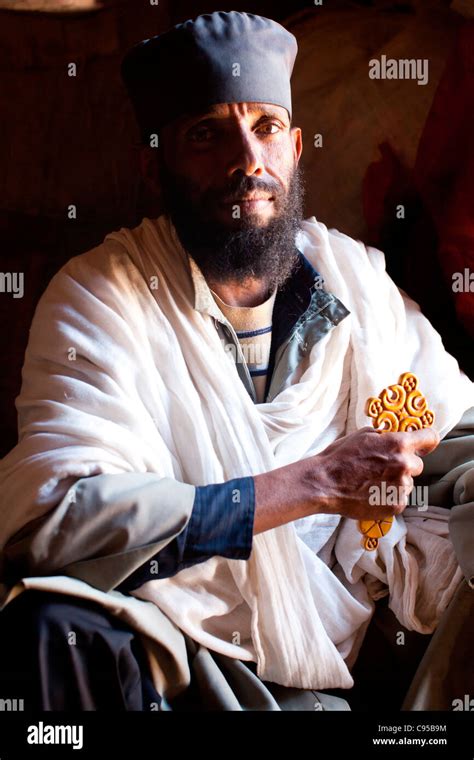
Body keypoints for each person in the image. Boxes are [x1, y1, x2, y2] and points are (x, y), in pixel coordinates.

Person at [0, 11, 473, 712]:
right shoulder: (102, 296)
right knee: (52, 628)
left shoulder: (355, 286)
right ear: (152, 163)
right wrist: (305, 484)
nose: (247, 159)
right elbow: (53, 516)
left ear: (296, 148)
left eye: (267, 128)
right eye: (206, 133)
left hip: (326, 656)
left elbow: (446, 437)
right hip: (170, 647)